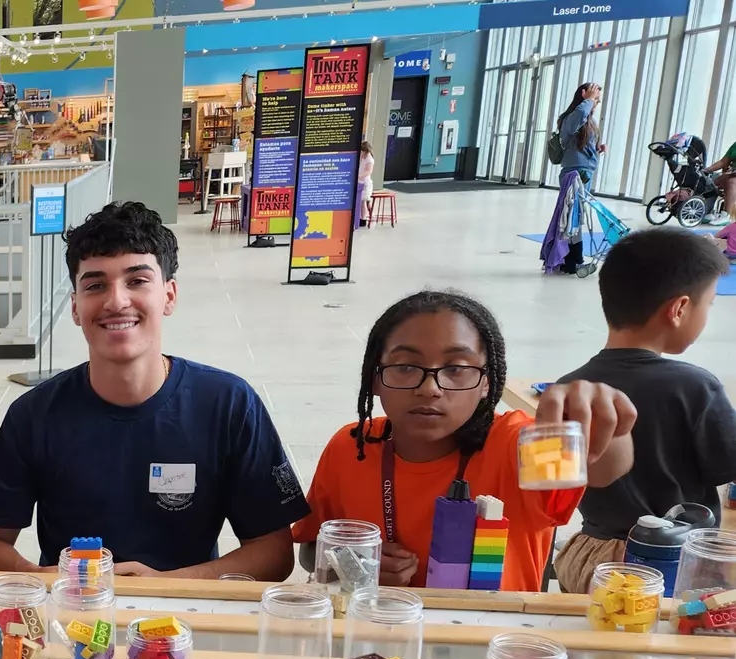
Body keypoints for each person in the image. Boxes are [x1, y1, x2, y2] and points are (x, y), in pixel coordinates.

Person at [0, 201, 307, 578]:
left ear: (169, 295)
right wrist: (45, 578)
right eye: (95, 285)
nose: (116, 301)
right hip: (74, 618)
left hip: (184, 617)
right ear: (76, 307)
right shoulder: (33, 415)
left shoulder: (228, 404)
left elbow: (273, 554)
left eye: (137, 280)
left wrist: (163, 585)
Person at [292, 290, 636, 592]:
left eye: (456, 369)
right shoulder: (351, 447)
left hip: (490, 647)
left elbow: (604, 468)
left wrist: (605, 421)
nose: (430, 388)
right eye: (406, 367)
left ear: (487, 383)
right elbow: (311, 551)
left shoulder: (514, 445)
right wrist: (354, 565)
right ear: (375, 378)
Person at [552, 229, 736, 591]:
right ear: (679, 309)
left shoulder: (569, 386)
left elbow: (561, 480)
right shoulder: (696, 386)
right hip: (669, 565)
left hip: (590, 556)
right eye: (709, 304)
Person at [542, 83, 607, 276]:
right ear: (583, 95)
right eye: (594, 98)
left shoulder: (587, 119)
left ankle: (569, 259)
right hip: (574, 173)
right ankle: (572, 260)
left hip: (583, 171)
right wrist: (587, 101)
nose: (595, 103)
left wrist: (597, 149)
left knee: (573, 215)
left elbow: (580, 145)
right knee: (572, 216)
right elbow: (572, 124)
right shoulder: (572, 117)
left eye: (597, 100)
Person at [356, 140, 376, 228]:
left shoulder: (369, 159)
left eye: (361, 151)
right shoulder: (363, 157)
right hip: (360, 182)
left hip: (365, 183)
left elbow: (368, 171)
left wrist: (359, 176)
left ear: (365, 150)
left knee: (363, 201)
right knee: (360, 202)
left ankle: (363, 219)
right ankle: (359, 217)